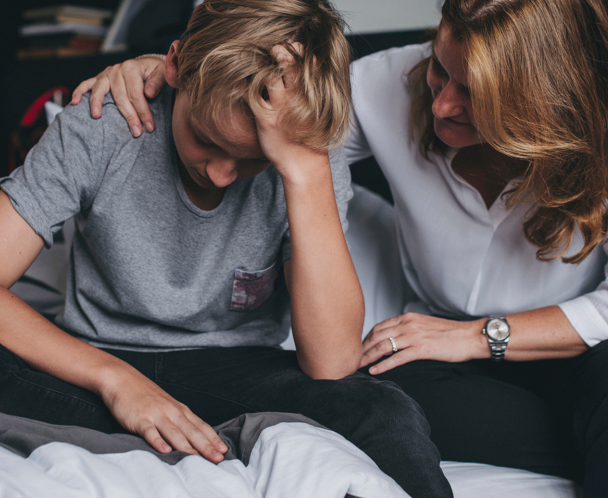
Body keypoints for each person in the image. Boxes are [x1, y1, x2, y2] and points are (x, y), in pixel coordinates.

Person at [81, 0, 608, 496]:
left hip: (582, 353)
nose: (442, 106)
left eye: (476, 97)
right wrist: (162, 70)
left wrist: (477, 337)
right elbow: (270, 109)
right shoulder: (390, 83)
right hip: (435, 355)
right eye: (440, 69)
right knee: (377, 395)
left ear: (547, 101)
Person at [0, 1, 454, 497]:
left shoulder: (307, 159)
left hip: (233, 371)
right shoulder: (104, 125)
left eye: (251, 159)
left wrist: (302, 172)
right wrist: (115, 381)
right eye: (205, 139)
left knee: (382, 409)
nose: (220, 175)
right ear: (174, 66)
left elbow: (332, 362)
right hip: (96, 359)